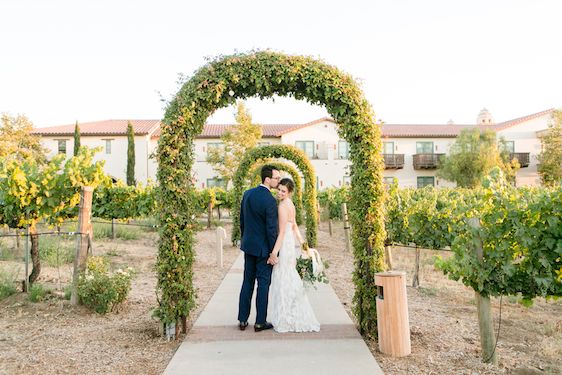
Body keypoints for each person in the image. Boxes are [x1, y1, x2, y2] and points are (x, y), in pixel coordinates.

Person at [268, 178, 320, 333]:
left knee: (283, 278)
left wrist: (274, 252)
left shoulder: (283, 207)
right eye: (279, 190)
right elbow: (295, 227)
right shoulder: (291, 205)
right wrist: (304, 245)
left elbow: (282, 231)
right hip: (290, 244)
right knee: (289, 276)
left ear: (289, 192)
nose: (280, 193)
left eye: (283, 191)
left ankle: (286, 316)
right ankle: (292, 311)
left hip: (285, 245)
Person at [237, 165, 280, 332]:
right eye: (276, 178)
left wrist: (245, 239)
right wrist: (273, 252)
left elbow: (242, 220)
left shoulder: (247, 194)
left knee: (247, 282)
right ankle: (260, 322)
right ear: (267, 179)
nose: (278, 180)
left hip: (249, 246)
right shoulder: (270, 200)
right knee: (263, 284)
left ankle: (242, 319)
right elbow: (271, 230)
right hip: (263, 250)